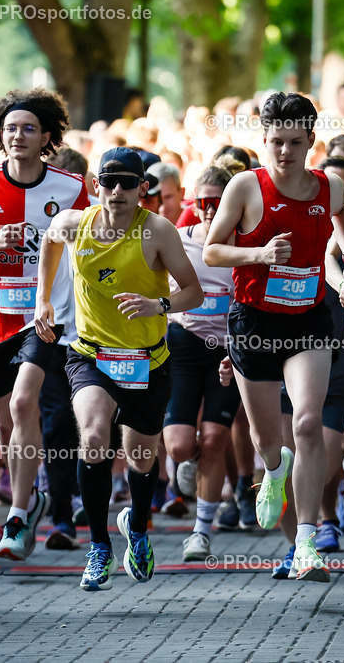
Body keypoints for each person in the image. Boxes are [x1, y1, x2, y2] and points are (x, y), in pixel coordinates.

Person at [203, 92, 344, 583]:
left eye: (295, 142)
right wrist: (258, 256)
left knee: (309, 423)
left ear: (311, 140)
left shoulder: (329, 186)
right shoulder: (246, 187)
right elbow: (211, 252)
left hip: (309, 321)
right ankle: (273, 469)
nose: (284, 152)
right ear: (264, 139)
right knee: (267, 440)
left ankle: (308, 541)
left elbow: (341, 221)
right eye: (275, 141)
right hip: (255, 323)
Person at [35, 147, 203, 591]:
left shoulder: (158, 232)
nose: (117, 190)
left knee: (142, 457)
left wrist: (158, 304)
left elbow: (194, 292)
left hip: (148, 360)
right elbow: (50, 241)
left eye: (128, 182)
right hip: (91, 354)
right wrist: (44, 299)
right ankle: (99, 546)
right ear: (95, 187)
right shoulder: (76, 224)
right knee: (92, 437)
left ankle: (139, 530)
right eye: (108, 181)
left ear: (143, 188)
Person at [0, 88, 91, 561]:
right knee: (7, 425)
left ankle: (15, 513)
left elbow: (88, 252)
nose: (18, 135)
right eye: (10, 128)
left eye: (29, 128)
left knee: (27, 400)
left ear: (47, 136)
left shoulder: (70, 188)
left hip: (46, 315)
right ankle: (31, 503)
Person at [161, 162, 242, 561]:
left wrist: (240, 348)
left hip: (228, 350)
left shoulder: (244, 245)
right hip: (184, 344)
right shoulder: (177, 239)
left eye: (218, 202)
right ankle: (188, 462)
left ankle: (201, 531)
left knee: (214, 439)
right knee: (178, 446)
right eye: (203, 202)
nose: (210, 210)